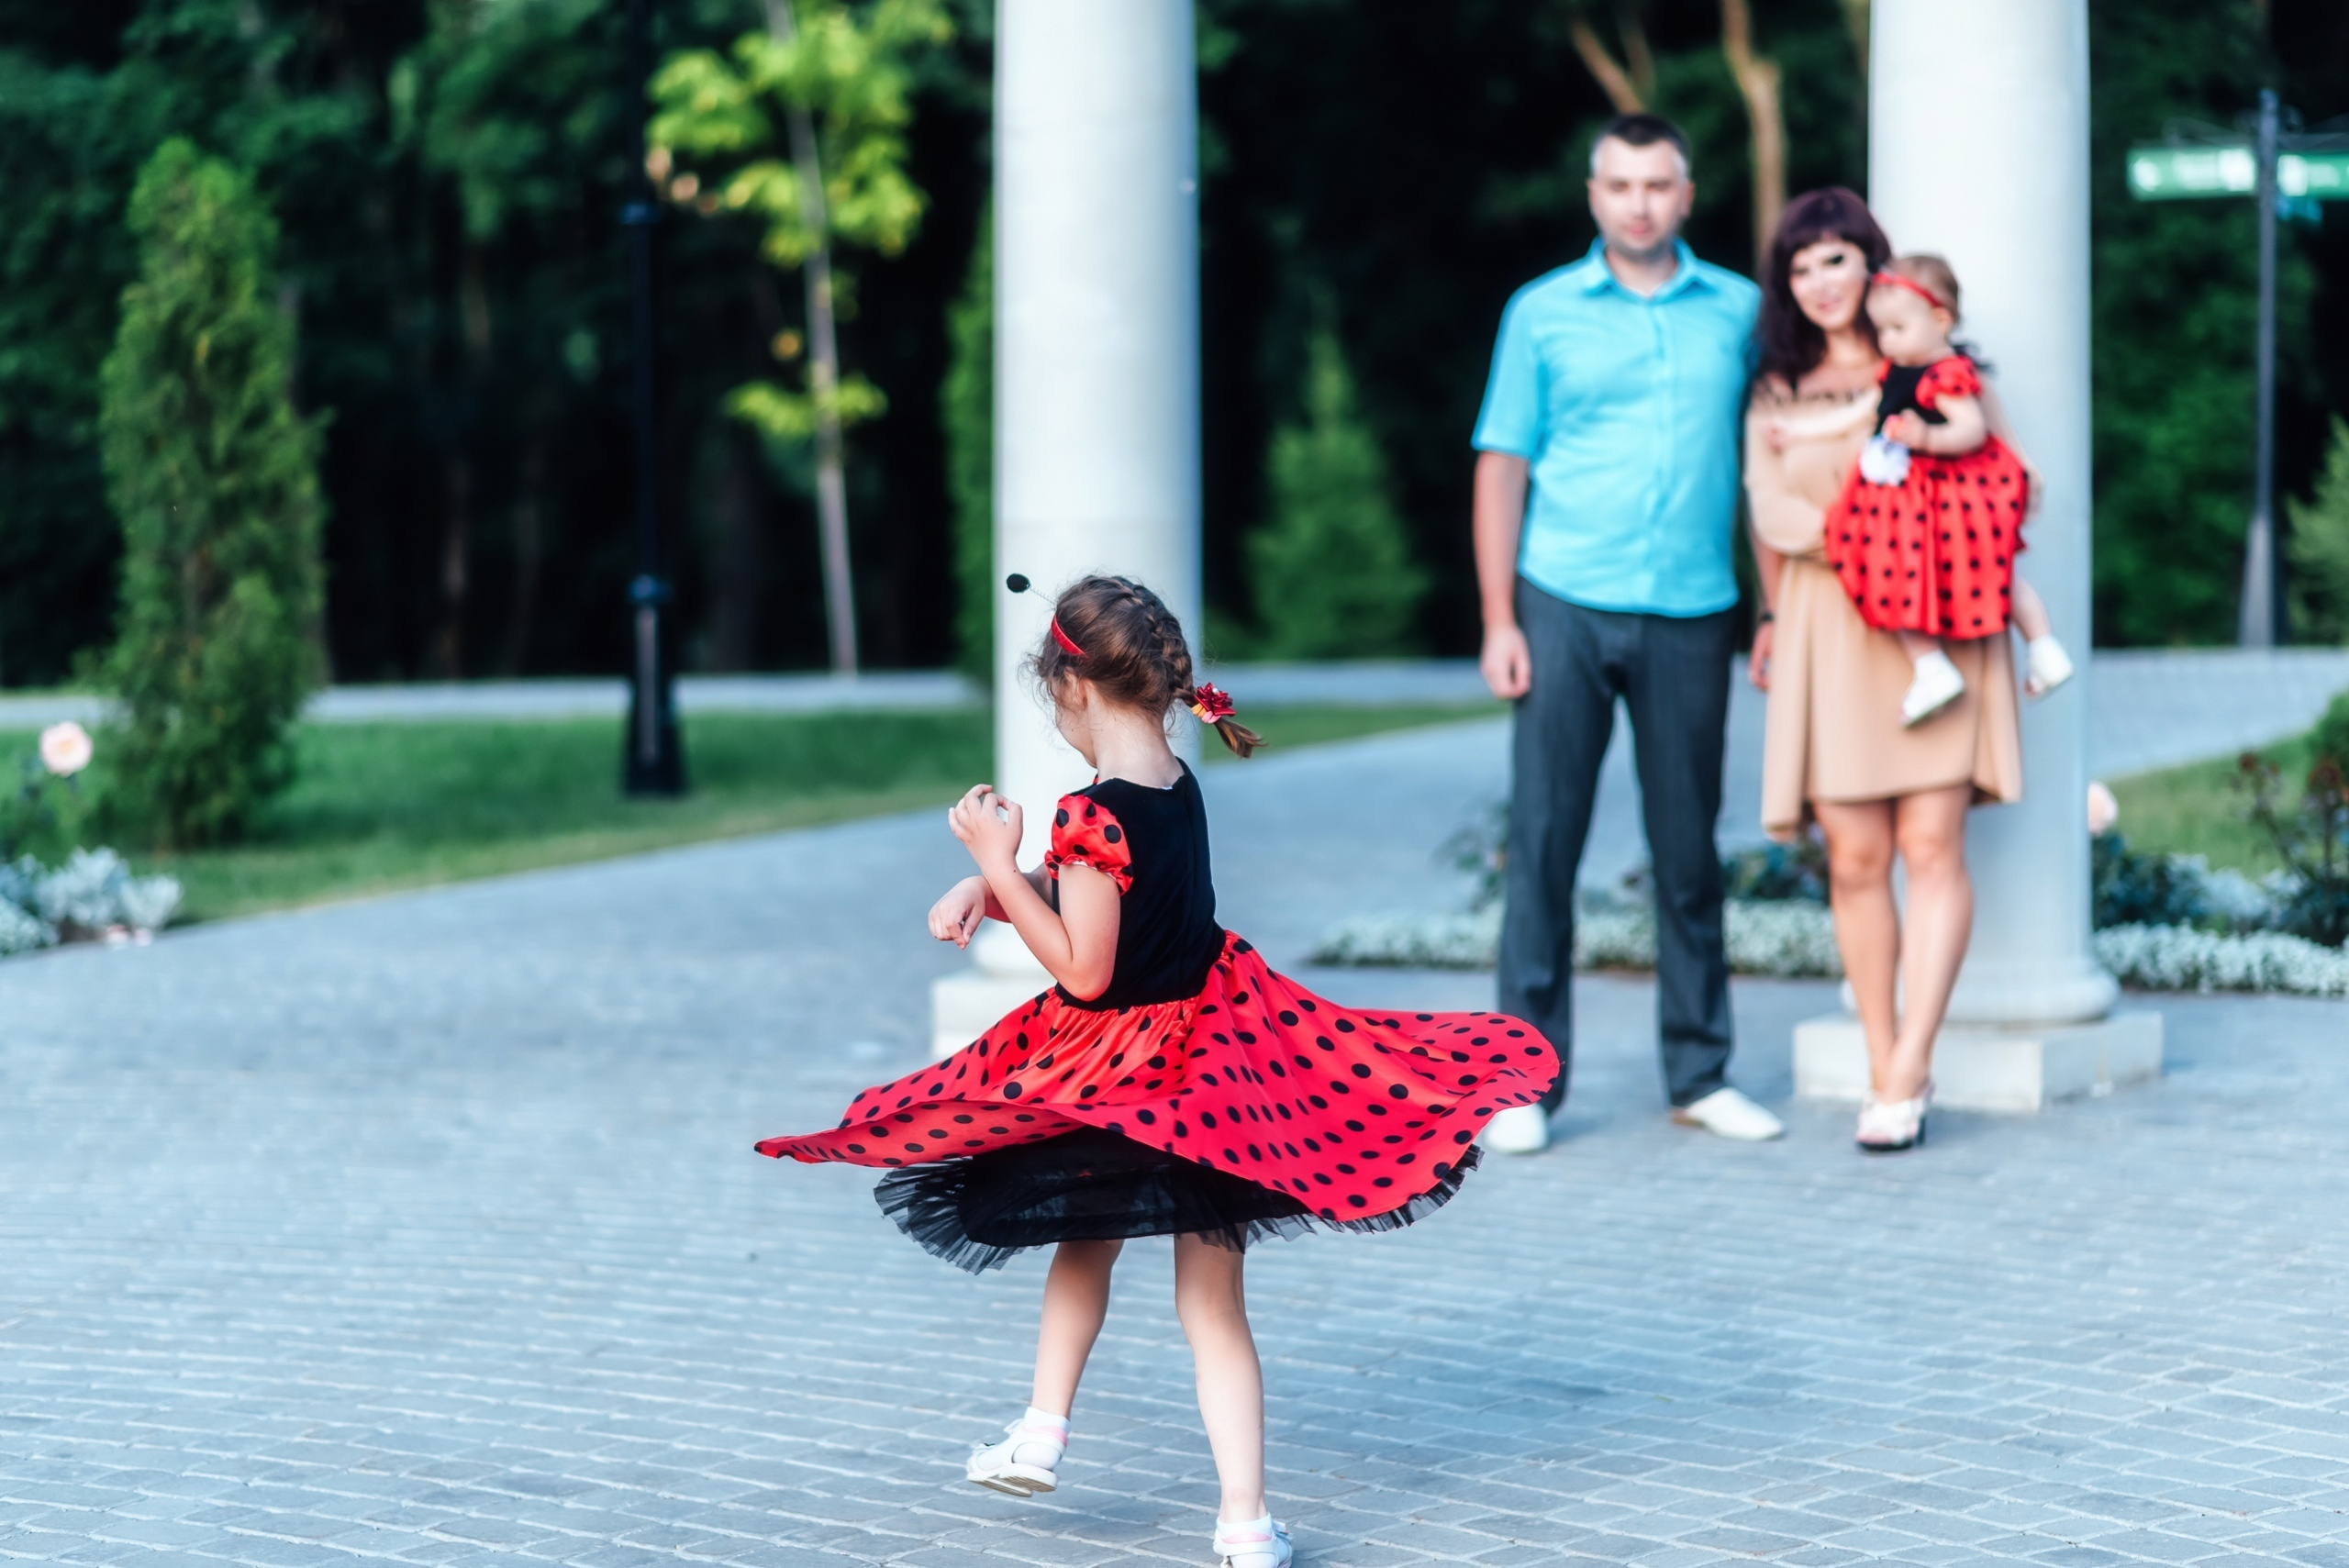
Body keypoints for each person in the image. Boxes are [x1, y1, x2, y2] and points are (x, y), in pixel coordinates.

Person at [754, 575, 1555, 1568]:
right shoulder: (1176, 779)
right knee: (1212, 1306)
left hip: (1123, 1073)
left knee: (1082, 1249)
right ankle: (1245, 1523)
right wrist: (993, 883)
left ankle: (1044, 1430)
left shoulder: (1089, 811)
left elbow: (1088, 968)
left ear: (1074, 687)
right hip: (1217, 1067)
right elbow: (1108, 906)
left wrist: (995, 859)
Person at [1470, 112, 1783, 1154]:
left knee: (1689, 851)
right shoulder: (1540, 312)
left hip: (1693, 609)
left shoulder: (1739, 311)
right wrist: (1499, 618)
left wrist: (1774, 607)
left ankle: (1700, 1072)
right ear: (1594, 195)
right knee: (1546, 845)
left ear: (1686, 195)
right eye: (1620, 185)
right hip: (1560, 600)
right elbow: (1501, 467)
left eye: (1658, 184)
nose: (1639, 202)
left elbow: (1763, 474)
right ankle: (1519, 1082)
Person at [1744, 190, 2026, 1153]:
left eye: (1838, 259)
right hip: (1831, 625)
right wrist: (1863, 536)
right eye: (1801, 265)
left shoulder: (1922, 367)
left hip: (1934, 624)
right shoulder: (1777, 386)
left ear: (1875, 267)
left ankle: (1912, 1060)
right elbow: (1769, 506)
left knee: (1931, 848)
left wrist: (1899, 534)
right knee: (1856, 858)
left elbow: (1984, 477)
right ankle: (1879, 1056)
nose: (1822, 281)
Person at [1768, 254, 2073, 724]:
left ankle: (2041, 645)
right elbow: (1864, 412)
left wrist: (1927, 438)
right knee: (1906, 577)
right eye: (1882, 331)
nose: (1887, 341)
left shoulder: (1947, 373)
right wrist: (1800, 432)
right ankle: (1937, 665)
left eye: (1896, 329)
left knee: (1988, 574)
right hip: (1917, 503)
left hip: (1950, 496)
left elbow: (1971, 429)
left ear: (1940, 320)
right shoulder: (1898, 369)